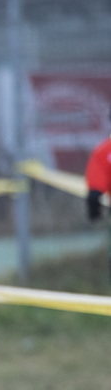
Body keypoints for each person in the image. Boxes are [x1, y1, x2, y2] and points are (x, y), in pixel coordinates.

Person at [86, 112, 110, 283]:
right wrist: (94, 200)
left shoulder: (104, 151)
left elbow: (95, 190)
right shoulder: (104, 151)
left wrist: (94, 204)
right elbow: (95, 187)